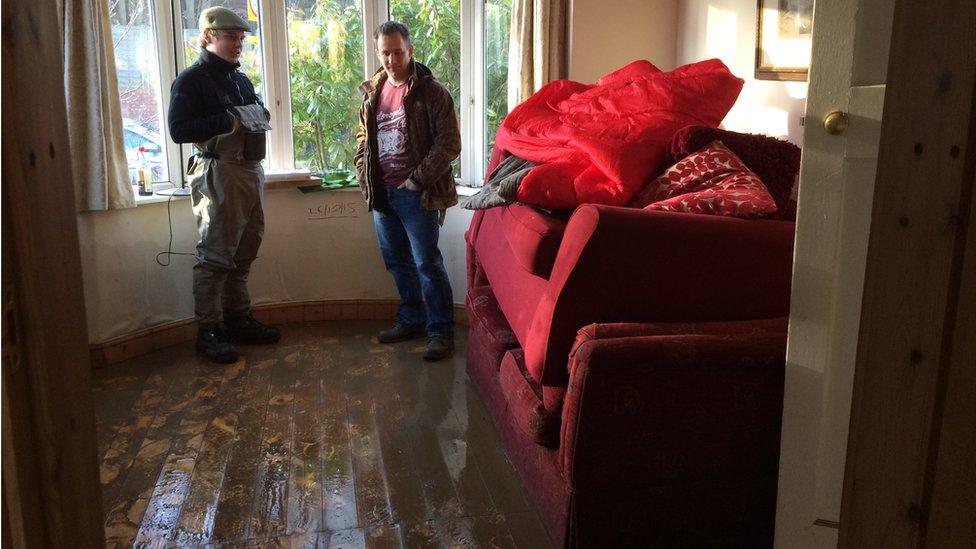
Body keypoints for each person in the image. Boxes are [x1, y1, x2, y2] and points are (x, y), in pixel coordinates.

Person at [168, 6, 279, 363]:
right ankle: (209, 330)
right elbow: (178, 131)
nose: (238, 44)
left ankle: (237, 319)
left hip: (248, 172)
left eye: (241, 38)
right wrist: (230, 118)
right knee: (216, 257)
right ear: (209, 37)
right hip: (219, 175)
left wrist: (249, 114)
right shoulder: (191, 81)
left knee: (244, 252)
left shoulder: (240, 79)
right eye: (231, 37)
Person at [355, 21, 461, 361]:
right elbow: (363, 142)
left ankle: (441, 332)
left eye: (397, 51)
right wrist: (364, 176)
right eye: (384, 52)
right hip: (383, 195)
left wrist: (416, 181)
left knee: (427, 264)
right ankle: (411, 320)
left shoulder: (433, 93)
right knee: (397, 262)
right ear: (377, 52)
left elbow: (449, 144)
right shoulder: (372, 93)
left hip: (418, 195)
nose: (390, 59)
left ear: (410, 50)